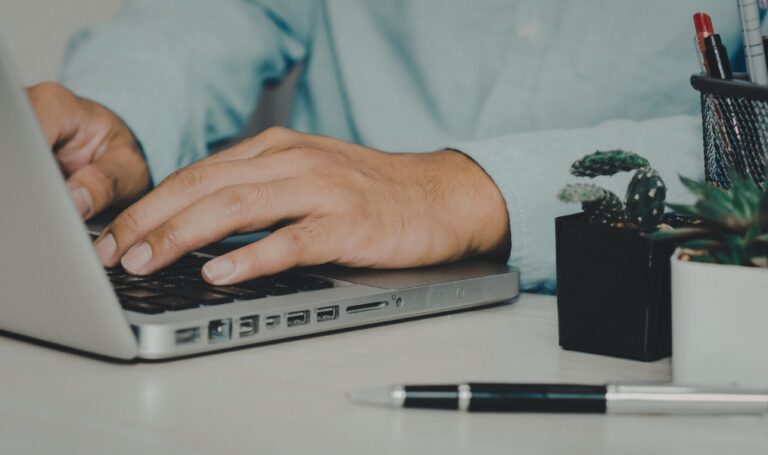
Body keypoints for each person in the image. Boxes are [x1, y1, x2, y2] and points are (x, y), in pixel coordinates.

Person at [27, 0, 731, 293]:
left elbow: (750, 147)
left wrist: (466, 191)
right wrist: (126, 110)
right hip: (309, 284)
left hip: (646, 320)